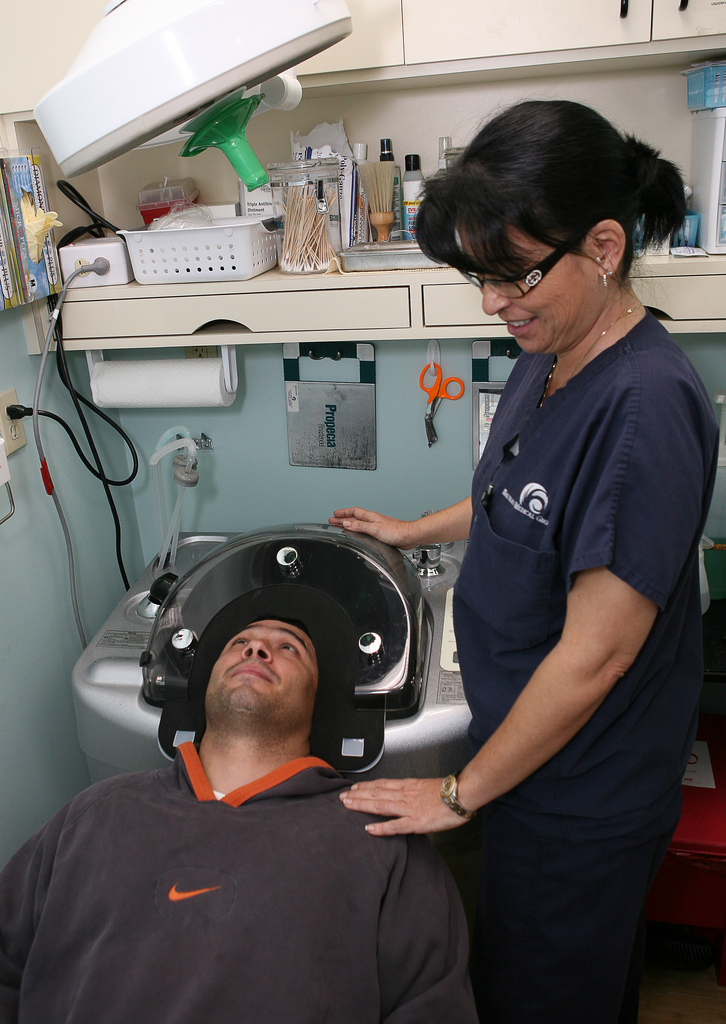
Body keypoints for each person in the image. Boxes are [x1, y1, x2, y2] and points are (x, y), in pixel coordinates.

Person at [330, 99, 719, 1024]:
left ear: (604, 247)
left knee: (542, 995)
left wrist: (456, 795)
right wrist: (415, 531)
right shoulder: (555, 352)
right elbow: (521, 495)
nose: (493, 303)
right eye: (480, 277)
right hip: (530, 764)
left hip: (580, 794)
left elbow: (598, 655)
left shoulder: (644, 409)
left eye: (513, 276)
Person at [0, 615, 477, 1024]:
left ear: (318, 695)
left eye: (289, 647)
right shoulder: (94, 814)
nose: (257, 648)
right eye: (240, 642)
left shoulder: (380, 839)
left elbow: (434, 1009)